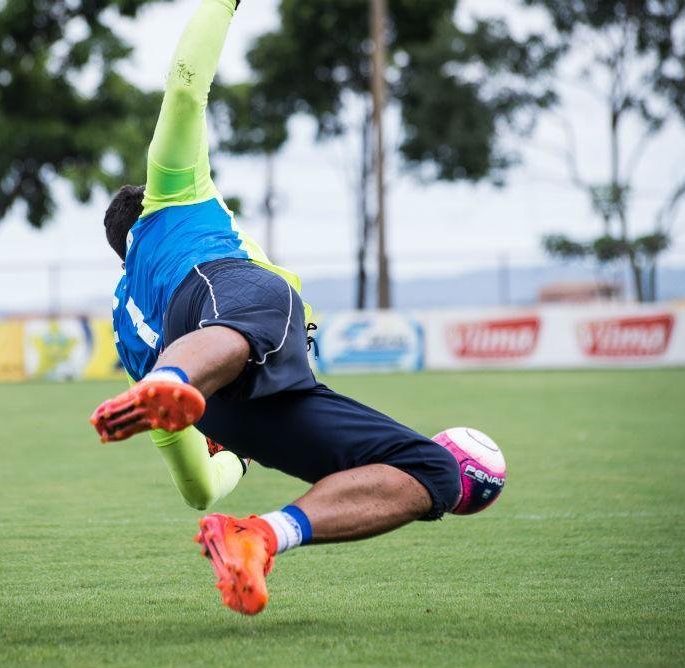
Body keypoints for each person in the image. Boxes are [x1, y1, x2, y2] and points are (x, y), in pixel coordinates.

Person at [90, 0, 461, 616]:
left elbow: (197, 489)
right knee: (259, 303)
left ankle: (258, 536)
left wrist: (235, 458)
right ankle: (174, 379)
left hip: (230, 403)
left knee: (431, 473)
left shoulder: (125, 330)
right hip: (218, 299)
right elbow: (184, 89)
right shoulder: (172, 198)